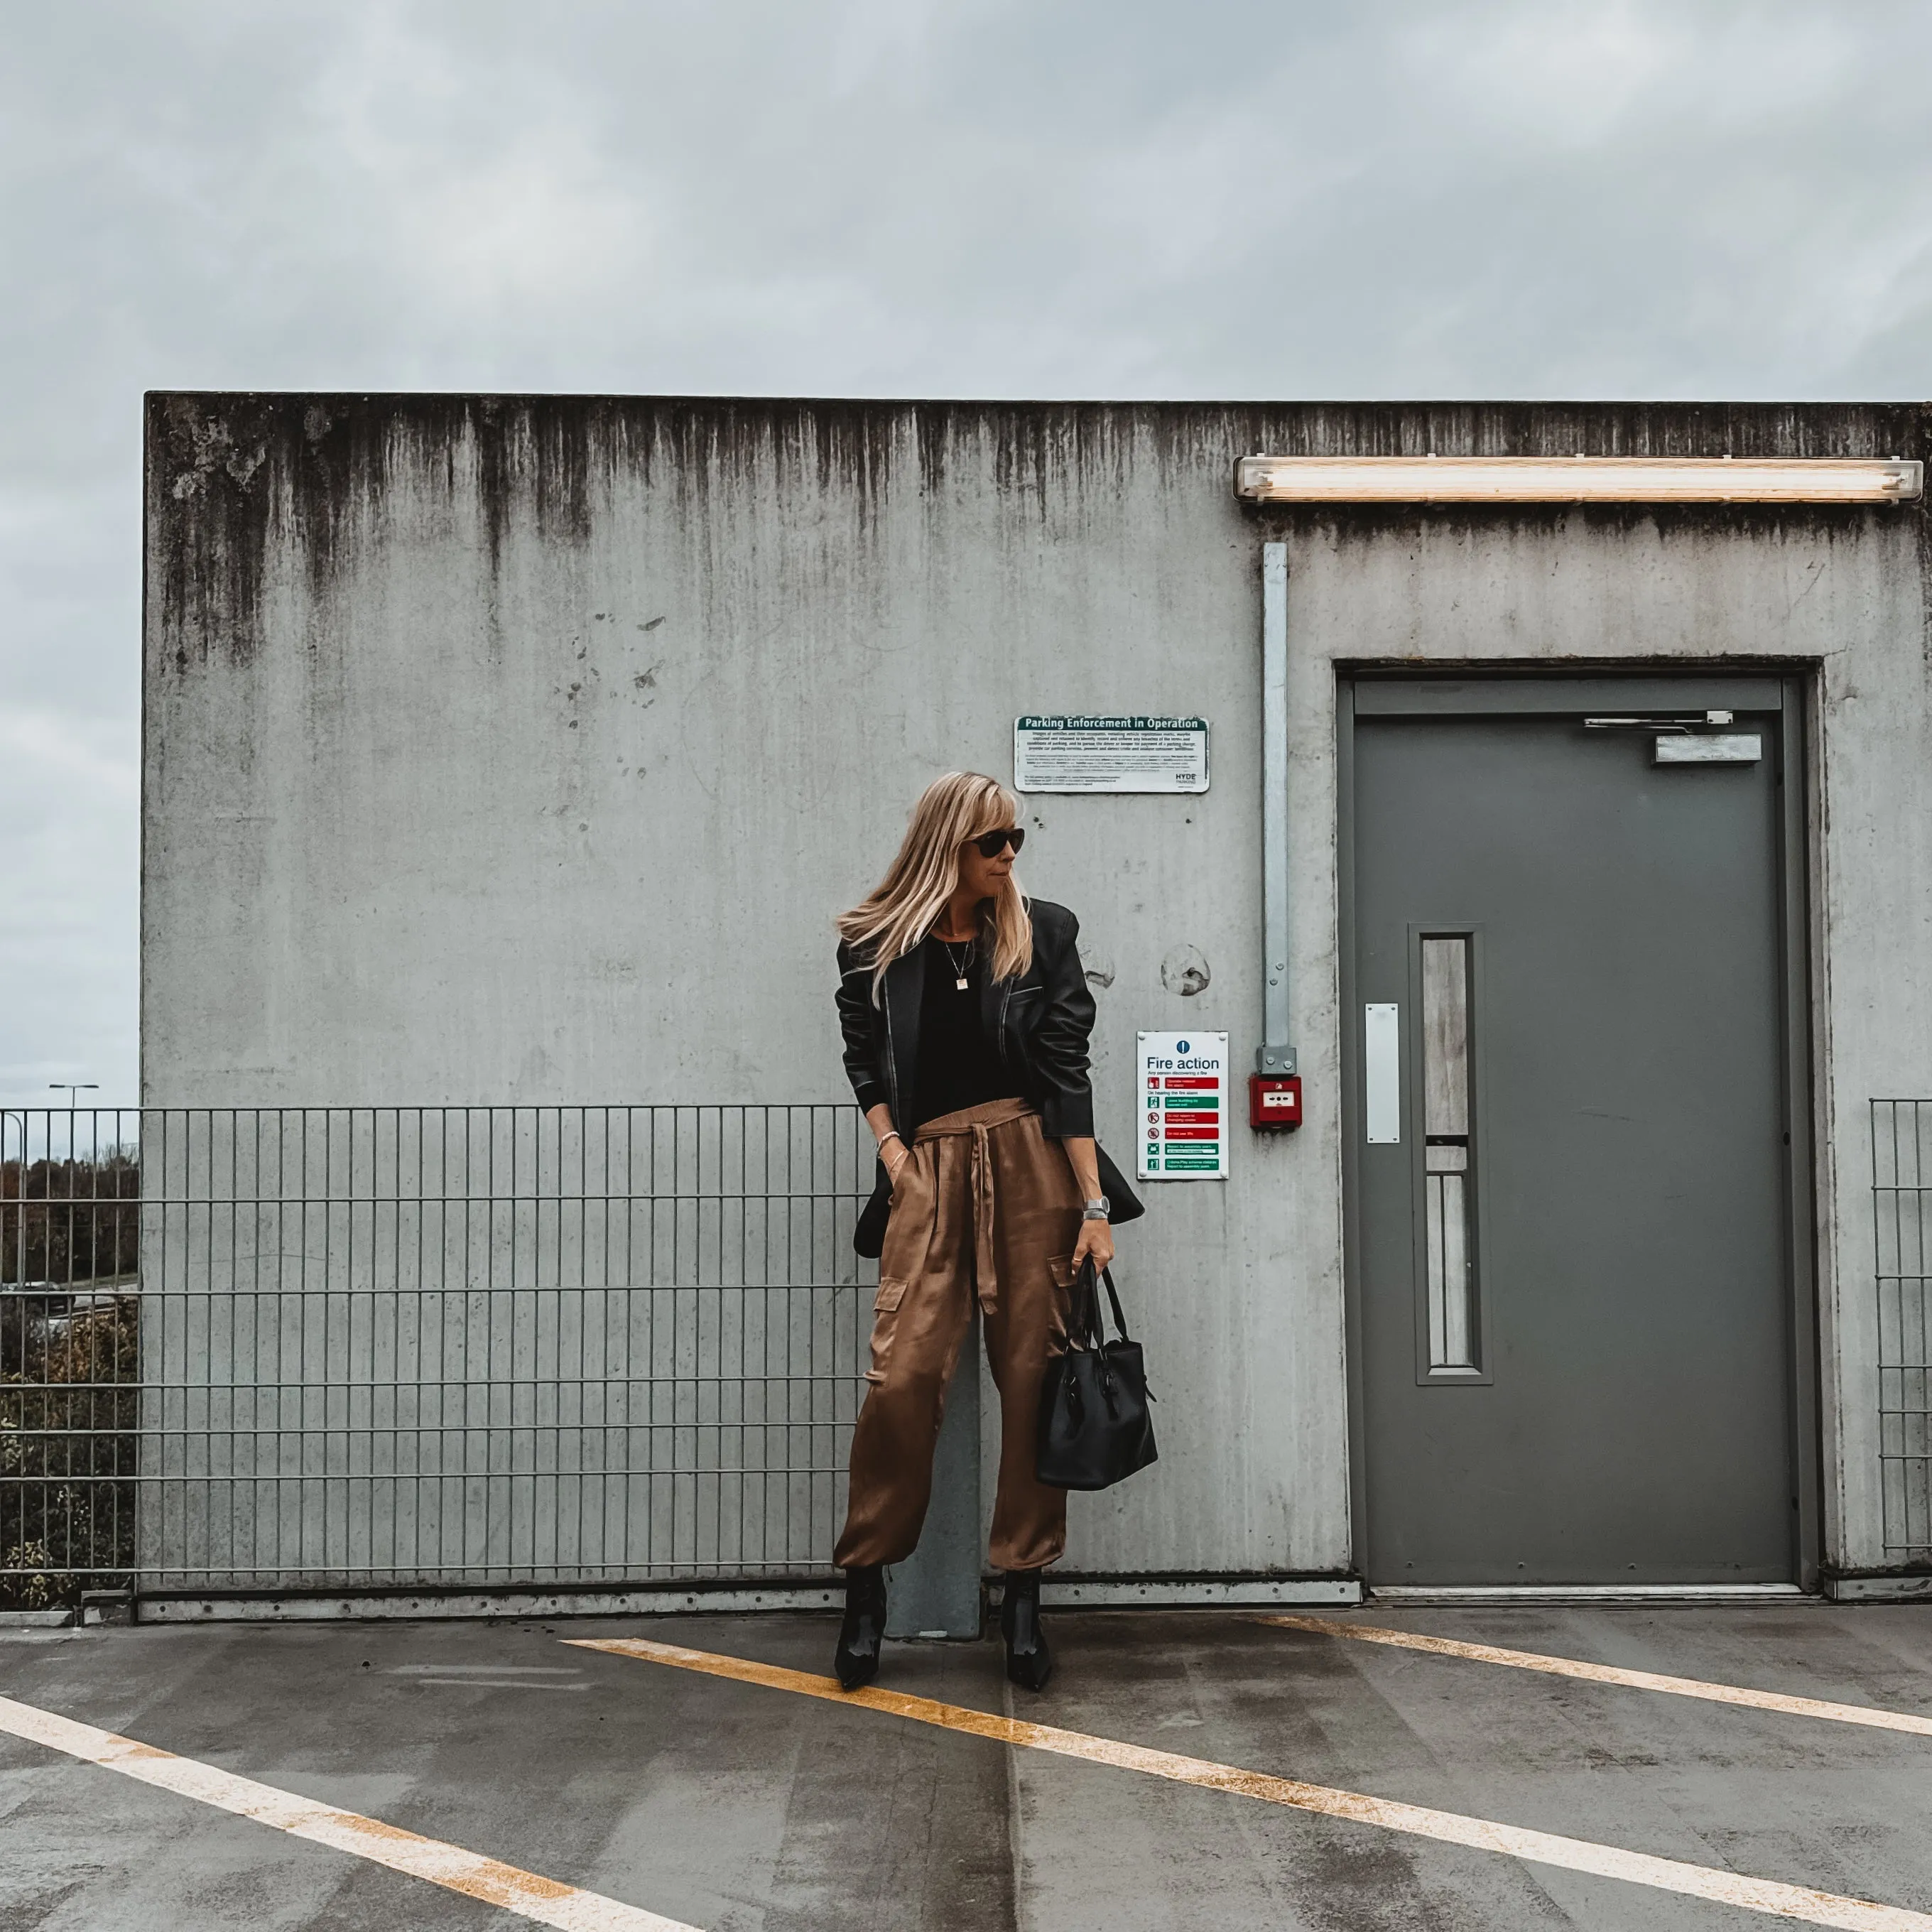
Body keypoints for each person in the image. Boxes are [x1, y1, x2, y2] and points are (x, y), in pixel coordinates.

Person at [830, 771, 1141, 1693]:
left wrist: (1092, 1208)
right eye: (991, 843)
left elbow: (1066, 1069)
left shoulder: (1045, 931)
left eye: (1016, 841)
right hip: (926, 1167)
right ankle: (865, 1587)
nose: (1008, 857)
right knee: (902, 1376)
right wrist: (893, 1152)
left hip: (1029, 1160)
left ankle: (1024, 1595)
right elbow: (862, 1056)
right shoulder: (873, 942)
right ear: (946, 846)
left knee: (1034, 1376)